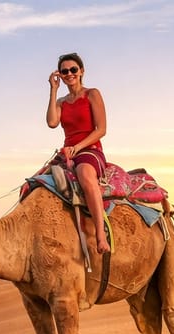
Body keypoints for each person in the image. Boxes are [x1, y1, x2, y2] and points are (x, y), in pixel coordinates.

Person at [46, 52, 110, 254]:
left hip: (89, 150)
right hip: (68, 151)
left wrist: (79, 147)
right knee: (36, 181)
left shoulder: (92, 94)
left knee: (84, 175)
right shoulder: (61, 102)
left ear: (81, 71)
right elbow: (52, 123)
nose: (69, 74)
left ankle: (101, 235)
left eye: (73, 69)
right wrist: (53, 90)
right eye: (64, 71)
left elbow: (101, 129)